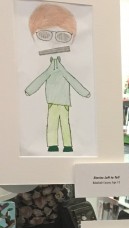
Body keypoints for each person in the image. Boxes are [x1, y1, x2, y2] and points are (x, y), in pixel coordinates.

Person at [25, 3, 91, 153]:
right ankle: (53, 145)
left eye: (62, 36)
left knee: (64, 124)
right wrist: (29, 90)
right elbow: (40, 79)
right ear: (32, 36)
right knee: (52, 123)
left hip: (63, 102)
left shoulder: (63, 68)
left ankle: (67, 145)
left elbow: (72, 80)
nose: (53, 42)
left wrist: (85, 92)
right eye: (44, 34)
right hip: (52, 102)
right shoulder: (45, 68)